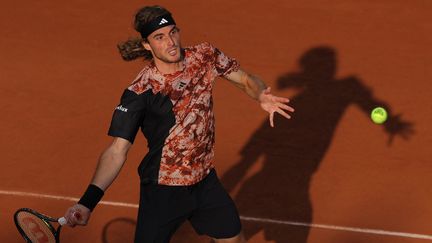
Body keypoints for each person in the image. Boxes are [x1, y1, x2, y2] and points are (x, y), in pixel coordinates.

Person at [63, 5, 294, 243]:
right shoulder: (140, 92)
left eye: (173, 32)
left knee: (234, 240)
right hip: (163, 190)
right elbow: (116, 152)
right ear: (146, 45)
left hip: (204, 182)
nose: (171, 42)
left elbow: (245, 80)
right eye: (159, 37)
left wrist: (261, 96)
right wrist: (87, 202)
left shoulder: (204, 56)